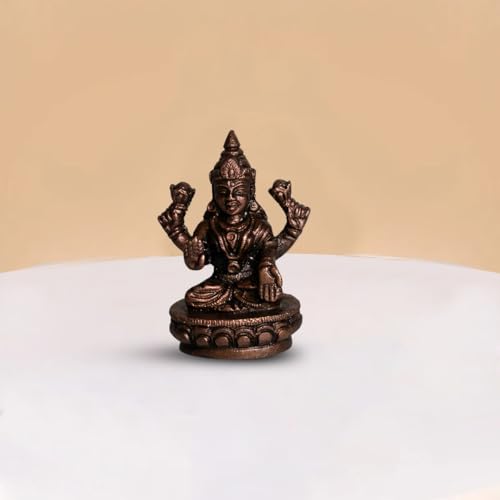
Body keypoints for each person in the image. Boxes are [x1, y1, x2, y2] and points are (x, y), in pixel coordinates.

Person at [158, 131, 309, 312]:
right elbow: (198, 262)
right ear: (214, 193)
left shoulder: (258, 227)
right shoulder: (208, 227)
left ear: (250, 193)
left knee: (270, 297)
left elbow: (270, 249)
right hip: (219, 284)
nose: (230, 198)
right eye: (223, 192)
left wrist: (265, 268)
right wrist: (192, 253)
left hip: (250, 285)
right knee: (193, 297)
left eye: (238, 192)